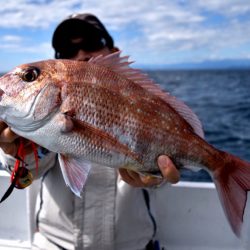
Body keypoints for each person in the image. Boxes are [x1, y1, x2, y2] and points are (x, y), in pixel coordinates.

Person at [0, 13, 180, 250]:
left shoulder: (148, 104)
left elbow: (169, 164)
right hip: (55, 245)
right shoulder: (40, 112)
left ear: (113, 50)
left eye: (93, 43)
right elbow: (29, 174)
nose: (82, 54)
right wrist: (15, 154)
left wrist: (155, 177)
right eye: (68, 49)